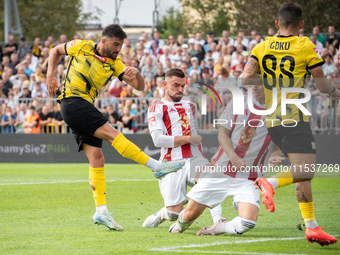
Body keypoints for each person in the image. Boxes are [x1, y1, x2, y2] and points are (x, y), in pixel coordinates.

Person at [46, 24, 184, 231]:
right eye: (115, 44)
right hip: (73, 101)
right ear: (104, 41)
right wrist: (50, 74)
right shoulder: (82, 46)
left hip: (82, 106)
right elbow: (56, 50)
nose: (119, 48)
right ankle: (156, 167)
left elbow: (140, 87)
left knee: (97, 159)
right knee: (113, 134)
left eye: (121, 45)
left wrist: (136, 73)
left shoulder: (115, 64)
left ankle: (101, 211)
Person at [242, 3, 339, 246]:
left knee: (300, 172)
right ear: (302, 25)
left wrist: (261, 91)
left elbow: (245, 77)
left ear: (277, 24)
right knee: (307, 170)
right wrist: (336, 93)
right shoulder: (306, 45)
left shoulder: (262, 46)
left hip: (273, 119)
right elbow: (322, 85)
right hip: (294, 116)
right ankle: (270, 182)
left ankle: (312, 226)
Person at [169, 79, 282, 235]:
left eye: (259, 83)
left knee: (247, 222)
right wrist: (233, 157)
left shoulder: (279, 110)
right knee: (187, 218)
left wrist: (275, 156)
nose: (254, 87)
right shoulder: (239, 101)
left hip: (249, 177)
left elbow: (279, 146)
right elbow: (223, 134)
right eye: (252, 83)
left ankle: (218, 228)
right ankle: (180, 220)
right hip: (220, 171)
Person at [142, 68, 221, 228]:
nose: (180, 89)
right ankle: (162, 214)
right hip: (171, 164)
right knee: (173, 213)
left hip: (194, 158)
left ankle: (218, 221)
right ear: (165, 84)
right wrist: (187, 139)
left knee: (209, 181)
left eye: (182, 86)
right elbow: (157, 140)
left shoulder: (191, 105)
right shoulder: (156, 108)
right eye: (176, 85)